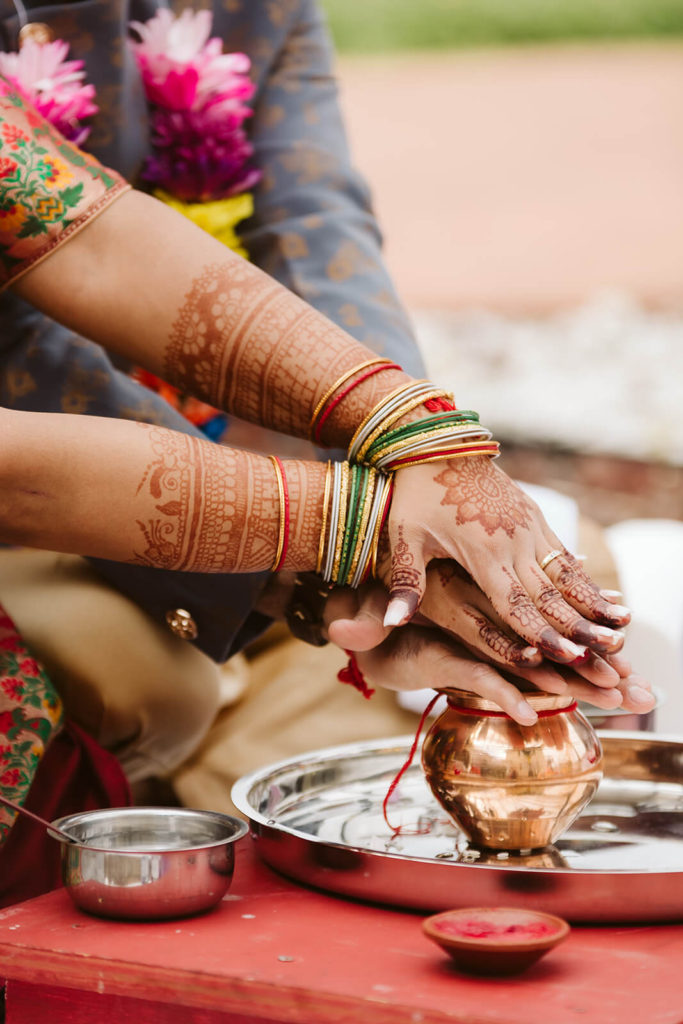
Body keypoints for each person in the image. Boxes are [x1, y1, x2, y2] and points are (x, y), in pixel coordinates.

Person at [0, 0, 653, 854]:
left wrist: (419, 446)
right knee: (151, 680)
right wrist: (343, 534)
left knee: (542, 571)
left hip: (179, 453)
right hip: (57, 485)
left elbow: (91, 240)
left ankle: (225, 838)